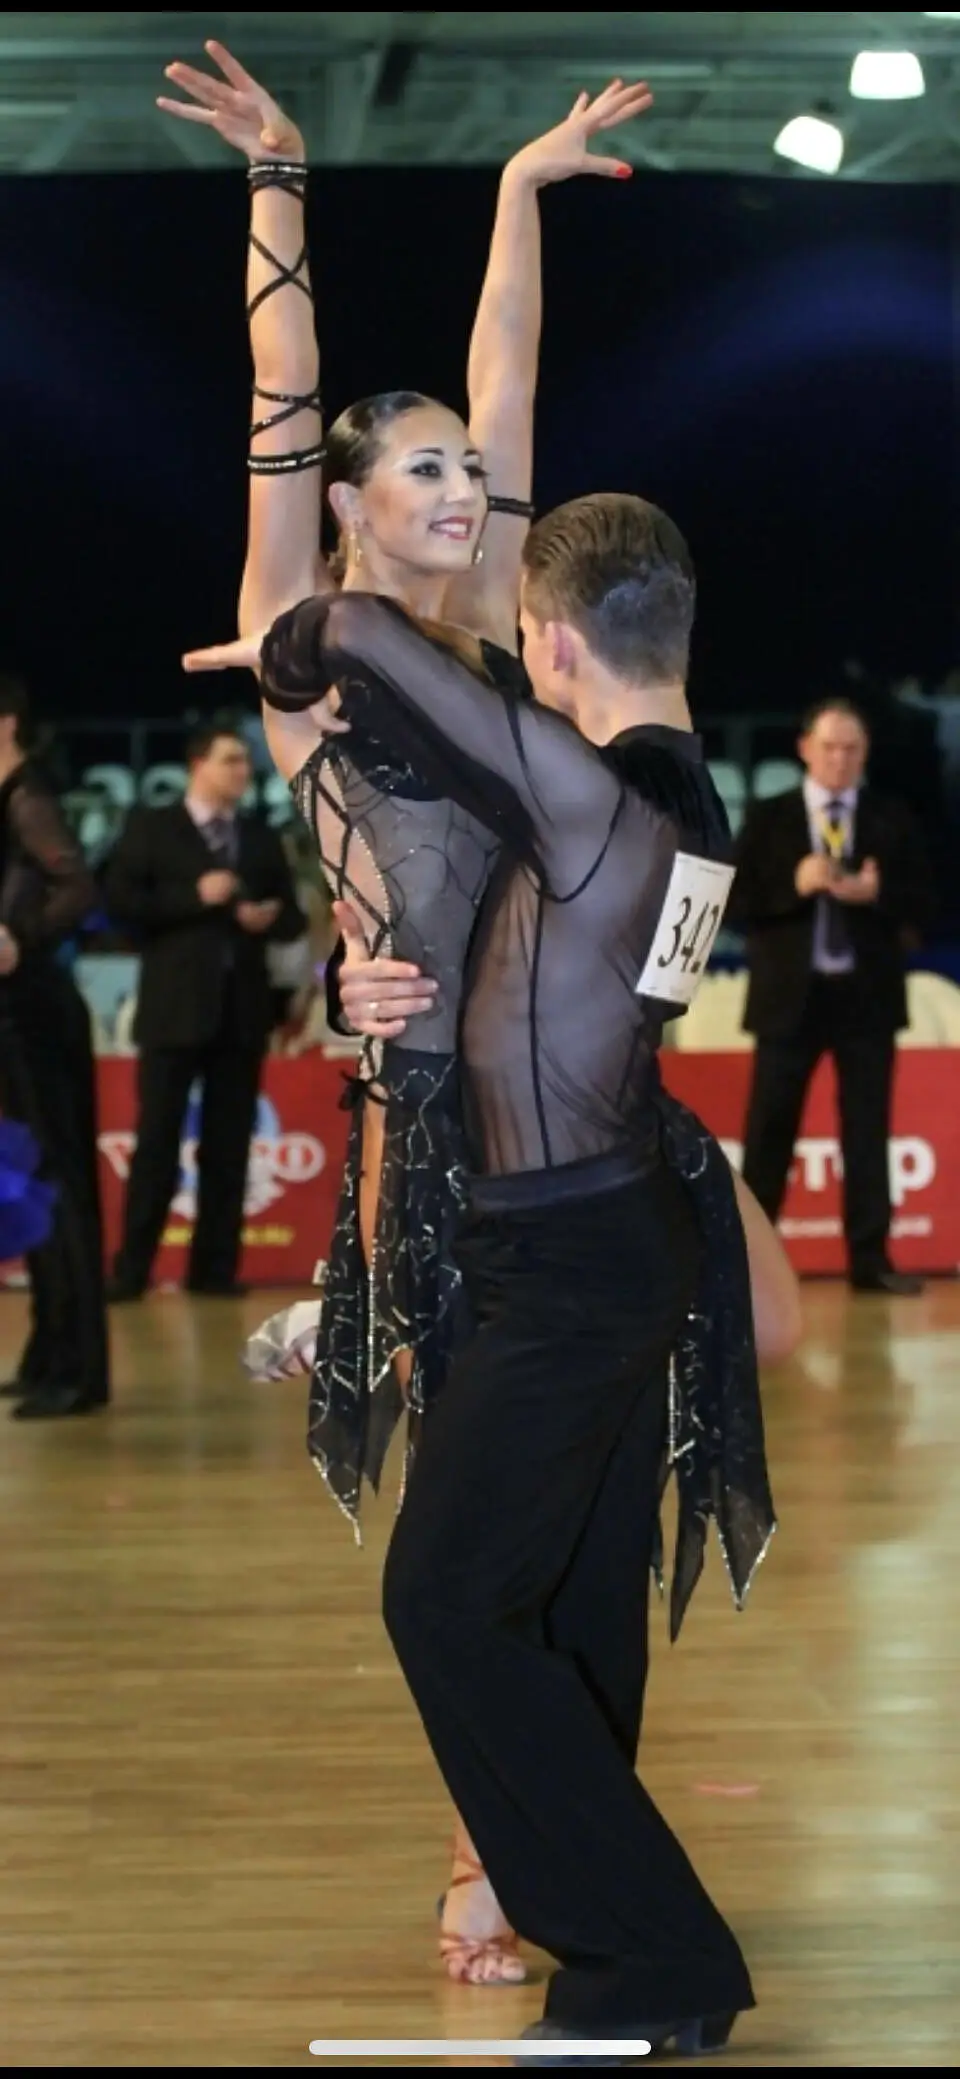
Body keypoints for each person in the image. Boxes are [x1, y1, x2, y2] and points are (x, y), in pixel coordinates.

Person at [162, 39, 656, 1984]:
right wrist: (278, 181)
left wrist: (522, 190)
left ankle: (525, 1836)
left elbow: (513, 365)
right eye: (428, 466)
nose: (466, 480)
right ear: (360, 512)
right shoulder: (308, 658)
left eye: (474, 464)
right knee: (477, 1530)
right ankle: (492, 1839)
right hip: (430, 1131)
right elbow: (282, 403)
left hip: (569, 1118)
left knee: (563, 1519)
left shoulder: (497, 647)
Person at [187, 490, 779, 2057]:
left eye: (529, 640)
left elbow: (369, 633)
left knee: (444, 1600)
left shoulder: (600, 805)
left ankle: (658, 1950)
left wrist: (285, 639)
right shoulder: (681, 804)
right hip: (592, 1236)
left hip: (571, 1258)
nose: (524, 663)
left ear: (561, 640)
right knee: (573, 1610)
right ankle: (640, 1971)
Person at [731, 697, 937, 1296]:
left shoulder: (889, 818)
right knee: (769, 1130)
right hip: (788, 999)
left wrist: (878, 892)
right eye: (830, 748)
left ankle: (871, 1261)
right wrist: (793, 887)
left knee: (868, 1131)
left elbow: (926, 903)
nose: (840, 760)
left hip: (866, 998)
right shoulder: (770, 818)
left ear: (865, 754)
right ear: (805, 749)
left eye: (852, 749)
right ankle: (752, 1263)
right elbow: (737, 903)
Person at [103, 723, 305, 1300]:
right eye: (232, 760)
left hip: (241, 1013)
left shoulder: (259, 836)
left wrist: (268, 915)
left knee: (229, 1146)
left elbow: (292, 914)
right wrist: (195, 898)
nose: (243, 771)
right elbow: (118, 904)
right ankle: (131, 1270)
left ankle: (214, 1270)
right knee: (156, 1142)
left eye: (245, 762)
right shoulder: (153, 828)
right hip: (173, 1012)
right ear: (199, 765)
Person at [0, 674, 110, 1420]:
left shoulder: (25, 794)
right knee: (27, 1179)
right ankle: (48, 1350)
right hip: (16, 1012)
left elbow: (77, 885)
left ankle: (78, 1366)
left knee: (55, 1179)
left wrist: (20, 937)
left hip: (33, 1012)